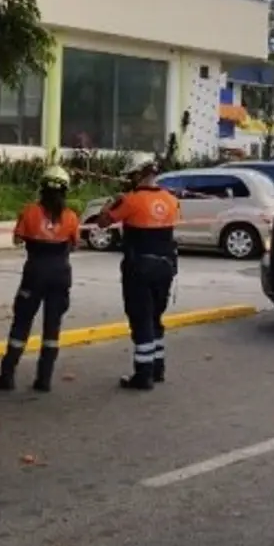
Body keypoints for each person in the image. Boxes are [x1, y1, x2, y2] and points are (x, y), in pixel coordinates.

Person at [0, 166, 80, 393]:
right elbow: (75, 244)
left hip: (35, 272)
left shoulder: (30, 211)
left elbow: (18, 240)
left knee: (21, 323)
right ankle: (44, 379)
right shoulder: (70, 216)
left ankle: (7, 375)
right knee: (52, 328)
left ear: (42, 188)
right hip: (60, 273)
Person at [96, 159, 179, 390]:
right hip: (165, 267)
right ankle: (157, 368)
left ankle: (143, 375)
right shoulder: (171, 200)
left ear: (137, 175)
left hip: (139, 268)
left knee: (140, 318)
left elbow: (103, 223)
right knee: (155, 317)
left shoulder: (130, 201)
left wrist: (109, 206)